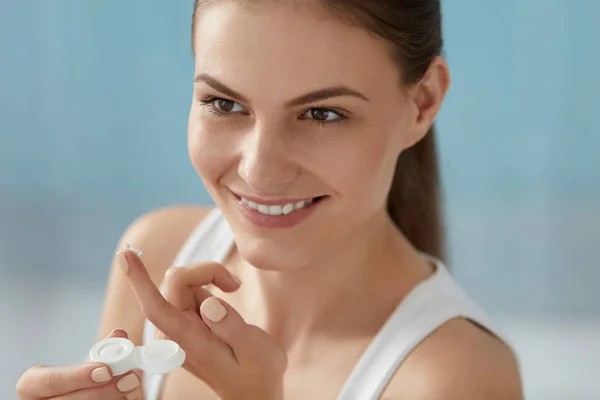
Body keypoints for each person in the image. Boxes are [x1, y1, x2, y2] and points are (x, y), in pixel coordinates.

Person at [16, 0, 524, 399]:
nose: (258, 169)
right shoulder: (156, 254)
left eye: (322, 114)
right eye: (224, 103)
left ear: (423, 101)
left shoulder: (455, 378)